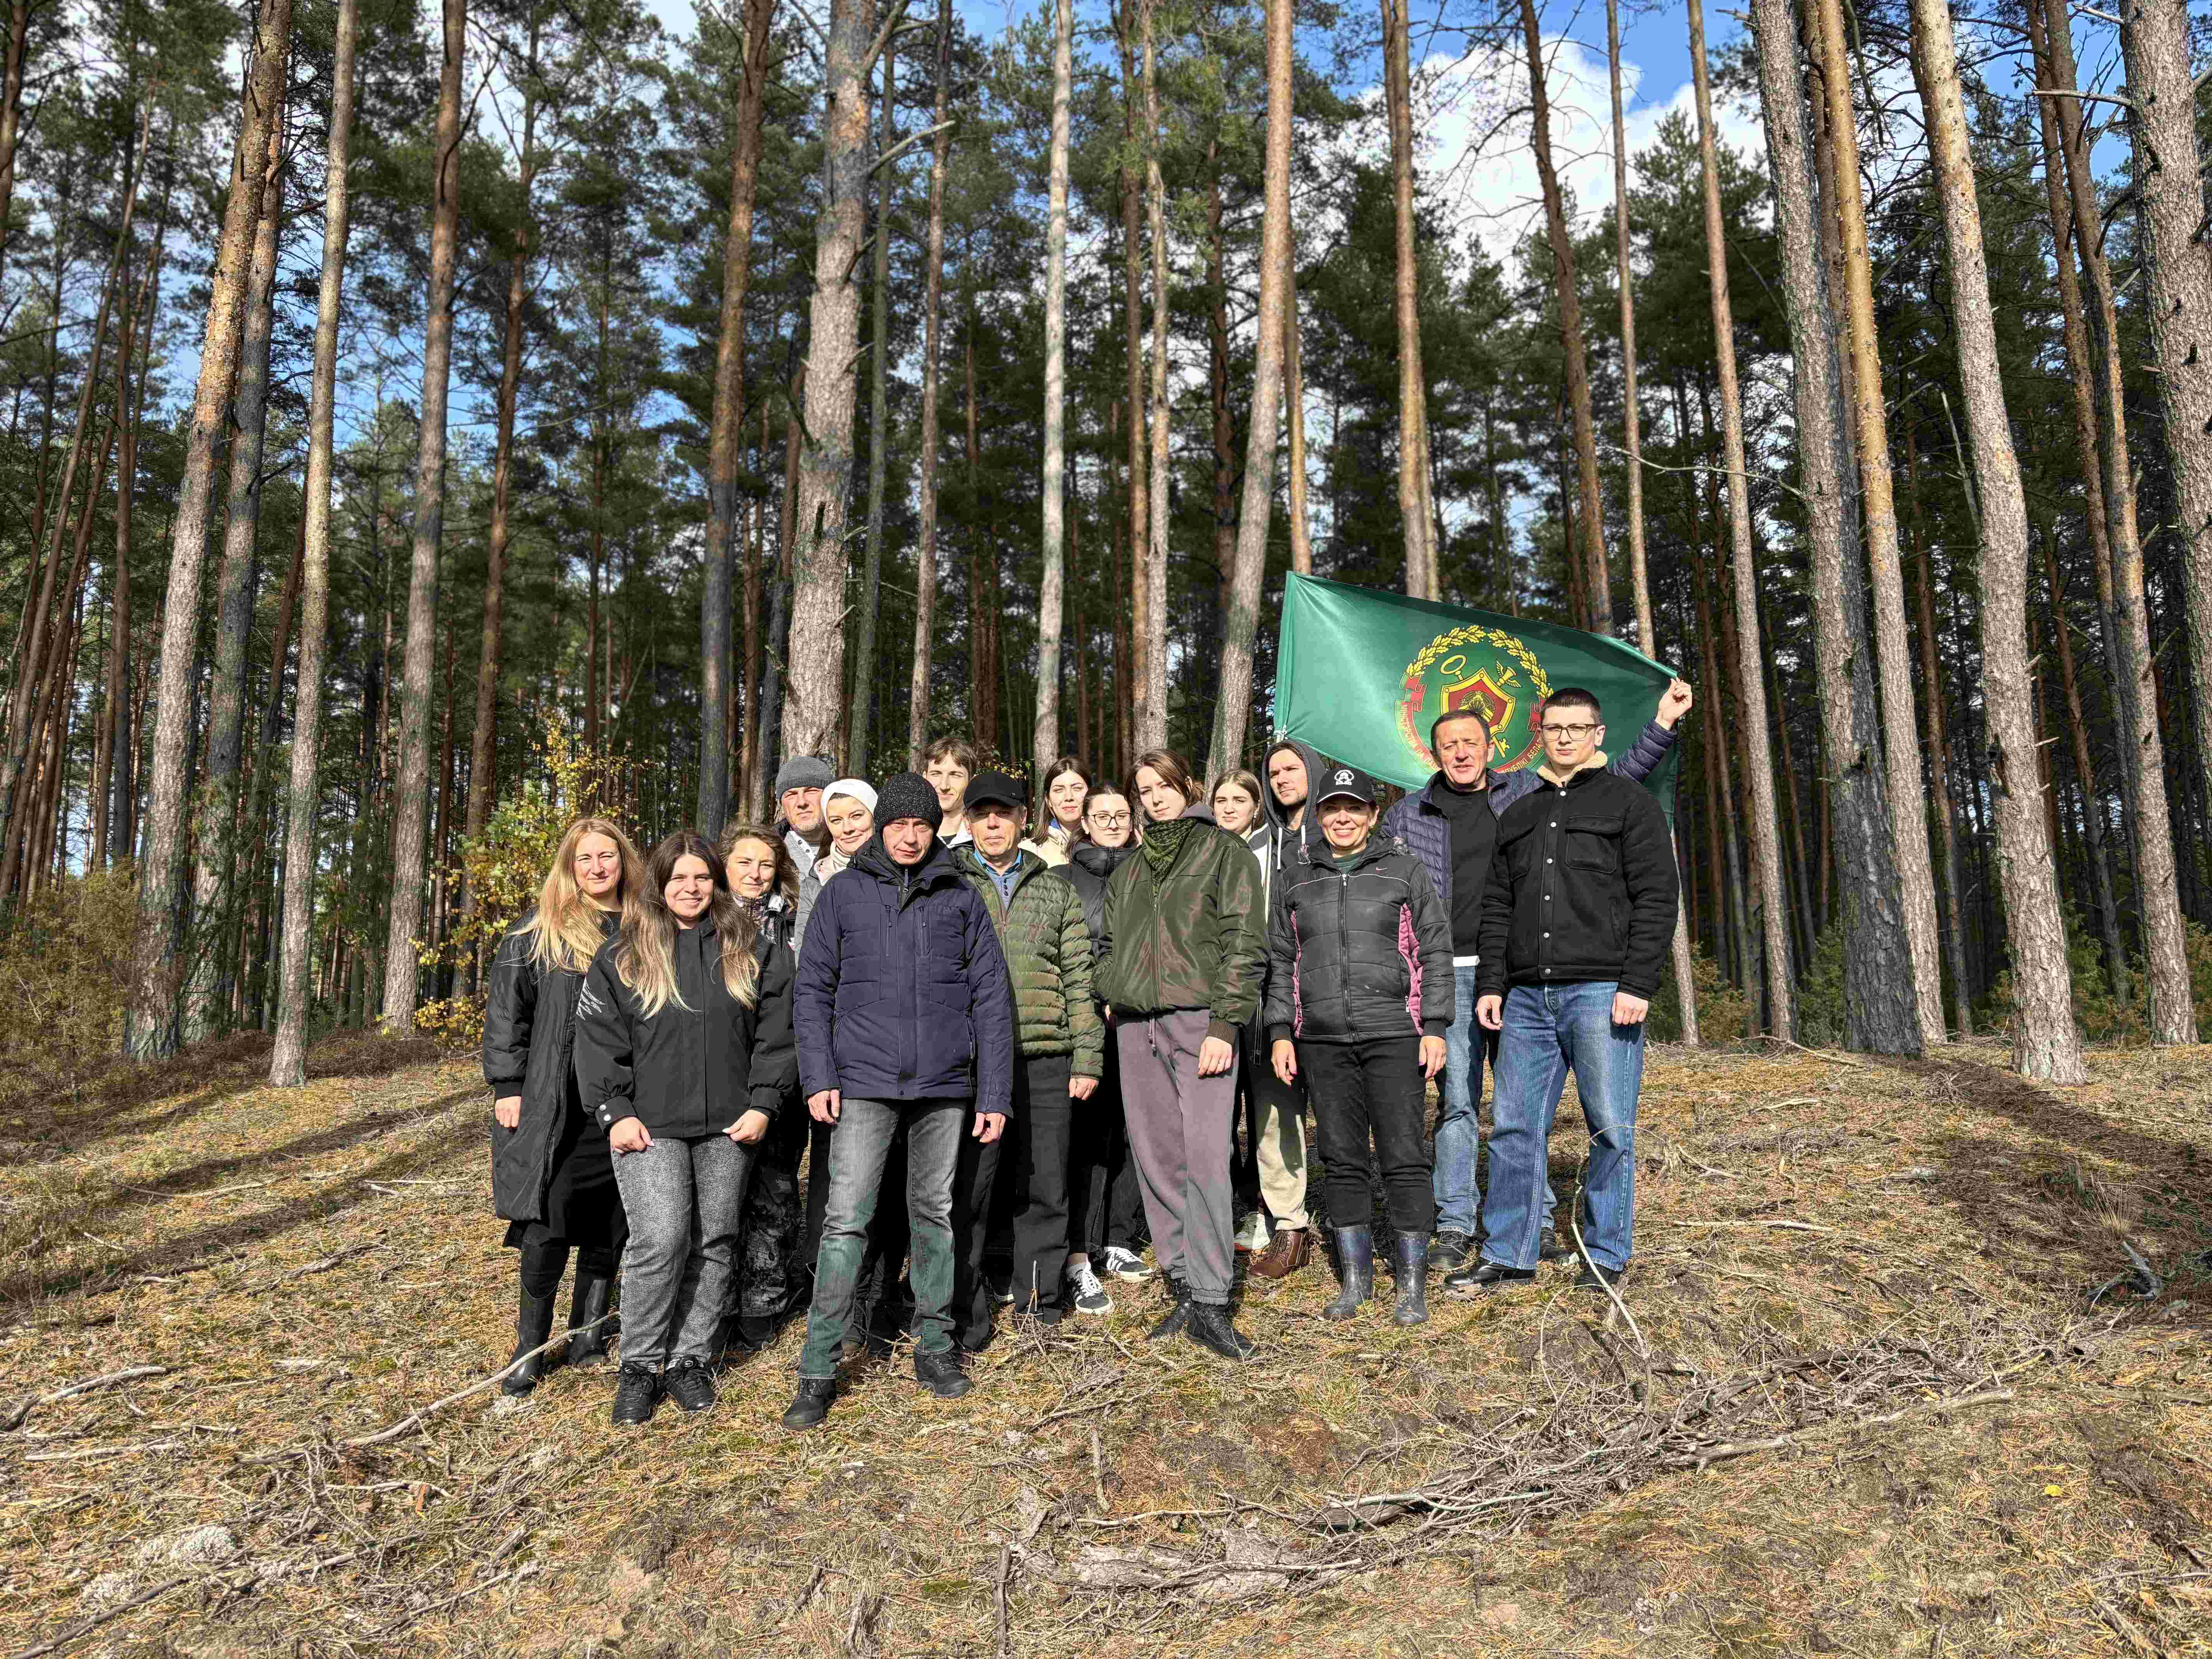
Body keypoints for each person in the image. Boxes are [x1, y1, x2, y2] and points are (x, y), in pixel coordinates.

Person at [1381, 678, 1690, 1271]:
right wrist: (1468, 983)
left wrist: (1638, 984)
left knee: (1605, 1125)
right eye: (1555, 729)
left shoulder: (1582, 799)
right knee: (1493, 1118)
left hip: (1571, 986)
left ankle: (1592, 1248)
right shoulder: (1460, 815)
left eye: (1577, 728)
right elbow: (1468, 904)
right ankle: (1488, 1241)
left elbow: (1649, 875)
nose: (1566, 737)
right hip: (1492, 987)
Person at [782, 773, 1016, 1431]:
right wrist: (818, 1075)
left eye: (921, 825)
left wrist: (992, 1089)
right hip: (860, 1083)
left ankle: (936, 1347)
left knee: (935, 1215)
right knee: (845, 1220)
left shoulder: (960, 897)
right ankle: (819, 1365)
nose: (910, 836)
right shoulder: (842, 894)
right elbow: (812, 993)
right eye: (899, 825)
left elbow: (992, 1000)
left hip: (944, 1085)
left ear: (932, 828)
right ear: (882, 829)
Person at [574, 831, 796, 1426]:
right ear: (660, 885)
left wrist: (764, 1104)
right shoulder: (625, 952)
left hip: (730, 1125)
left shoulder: (750, 948)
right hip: (649, 1126)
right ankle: (641, 1366)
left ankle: (691, 1359)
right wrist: (614, 1112)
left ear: (715, 883)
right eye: (679, 879)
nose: (691, 888)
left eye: (701, 878)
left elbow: (780, 1033)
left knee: (714, 1240)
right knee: (662, 1239)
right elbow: (597, 1044)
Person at [1266, 765, 1453, 1325]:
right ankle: (1356, 1281)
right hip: (1321, 1040)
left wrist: (1437, 1026)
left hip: (1394, 1034)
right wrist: (1280, 1032)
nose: (1342, 817)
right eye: (1332, 808)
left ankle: (1412, 1283)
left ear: (1373, 815)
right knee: (1342, 1159)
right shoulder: (1295, 876)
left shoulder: (1404, 871)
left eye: (1354, 808)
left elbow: (1434, 952)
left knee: (1403, 1156)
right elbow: (1279, 960)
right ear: (1319, 817)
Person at [1096, 749, 1266, 1361]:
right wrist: (1112, 989)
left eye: (1163, 785)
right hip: (1135, 1028)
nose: (1154, 797)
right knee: (1157, 1159)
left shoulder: (1225, 853)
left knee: (1206, 1160)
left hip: (1201, 1025)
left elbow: (1245, 942)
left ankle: (1215, 1298)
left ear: (1184, 786)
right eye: (1144, 789)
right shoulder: (1130, 871)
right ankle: (1183, 1289)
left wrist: (1226, 1023)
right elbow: (1109, 942)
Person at [483, 817, 645, 1396]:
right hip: (557, 1105)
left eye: (609, 856)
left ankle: (589, 1333)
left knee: (612, 1219)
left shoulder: (644, 927)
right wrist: (508, 1086)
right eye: (586, 859)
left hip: (627, 1099)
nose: (598, 867)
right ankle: (529, 1348)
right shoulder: (537, 931)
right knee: (547, 1224)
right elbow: (508, 1014)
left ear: (624, 861)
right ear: (570, 867)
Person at [947, 770, 1105, 1324]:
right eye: (983, 814)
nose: (994, 823)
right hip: (970, 1061)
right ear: (968, 821)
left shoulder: (1055, 888)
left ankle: (1039, 1300)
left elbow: (1079, 980)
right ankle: (965, 1306)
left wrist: (1087, 1056)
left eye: (1005, 813)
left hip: (1045, 1055)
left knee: (1045, 1184)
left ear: (1023, 818)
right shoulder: (948, 883)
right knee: (970, 1185)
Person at [1237, 737, 1327, 1280]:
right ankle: (1289, 1226)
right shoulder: (1255, 848)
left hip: (1334, 996)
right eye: (1274, 773)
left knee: (1341, 1117)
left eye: (1293, 769)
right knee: (1275, 1116)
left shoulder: (1344, 833)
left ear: (1314, 772)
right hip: (1272, 1002)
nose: (1283, 780)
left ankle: (1349, 1222)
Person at [722, 823, 808, 1353]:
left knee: (776, 1192)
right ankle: (720, 1298)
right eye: (744, 864)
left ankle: (764, 1300)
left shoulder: (796, 920)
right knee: (722, 1196)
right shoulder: (703, 918)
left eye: (766, 865)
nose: (755, 875)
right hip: (722, 1073)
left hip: (785, 1073)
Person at [1061, 787, 1149, 1292]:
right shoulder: (1065, 879)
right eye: (1102, 816)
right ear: (1086, 823)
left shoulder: (1149, 873)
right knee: (1087, 1137)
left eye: (1120, 815)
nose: (1112, 823)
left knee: (1134, 1131)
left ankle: (1119, 1236)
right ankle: (1080, 1245)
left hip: (1139, 1020)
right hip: (1086, 1022)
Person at [1207, 770, 1271, 1255]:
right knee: (1221, 1111)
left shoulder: (1275, 853)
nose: (1229, 809)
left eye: (1239, 800)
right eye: (1221, 800)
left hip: (1266, 998)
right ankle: (1226, 1203)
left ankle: (1263, 1207)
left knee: (1264, 1107)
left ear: (1256, 806)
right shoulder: (1205, 853)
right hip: (1217, 998)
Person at [794, 778, 879, 955]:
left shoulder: (900, 870)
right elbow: (806, 956)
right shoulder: (815, 882)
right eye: (836, 820)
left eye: (856, 816)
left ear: (874, 816)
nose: (847, 829)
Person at [773, 756, 836, 881]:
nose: (802, 803)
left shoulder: (851, 845)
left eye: (811, 792)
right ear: (782, 804)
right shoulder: (767, 850)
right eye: (791, 795)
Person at [1022, 756, 1089, 867]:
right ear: (1049, 800)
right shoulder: (1029, 852)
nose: (1069, 797)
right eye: (1059, 790)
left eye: (1077, 788)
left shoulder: (1108, 845)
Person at [922, 737, 977, 848]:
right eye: (936, 774)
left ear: (972, 781)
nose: (944, 786)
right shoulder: (909, 836)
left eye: (955, 775)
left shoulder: (985, 836)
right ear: (925, 778)